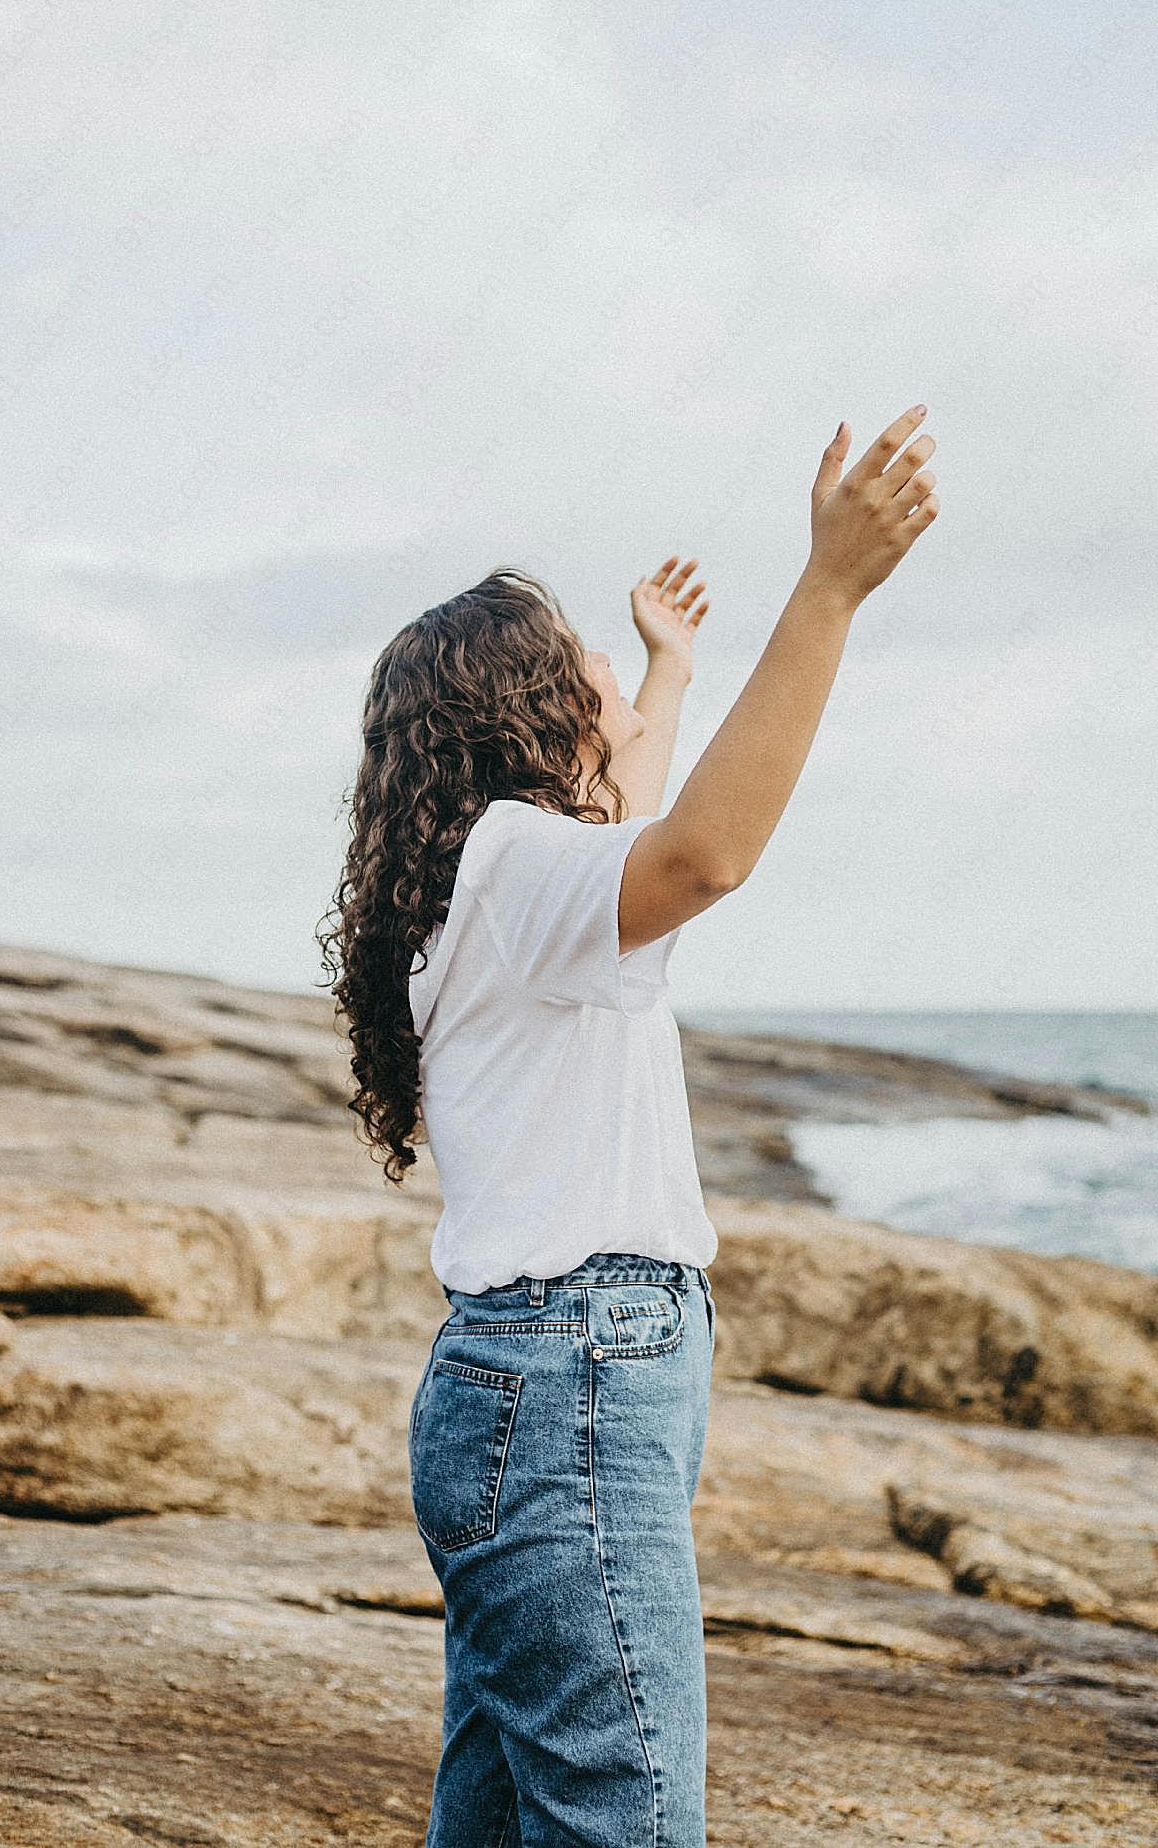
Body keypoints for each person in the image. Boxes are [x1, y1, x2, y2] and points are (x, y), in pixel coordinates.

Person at [317, 404, 939, 1846]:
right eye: (590, 667)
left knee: (500, 1817)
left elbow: (638, 807)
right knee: (628, 1821)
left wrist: (668, 666)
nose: (612, 685)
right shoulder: (522, 865)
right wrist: (829, 590)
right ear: (530, 711)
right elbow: (700, 851)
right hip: (573, 1385)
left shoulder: (484, 882)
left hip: (518, 1387)